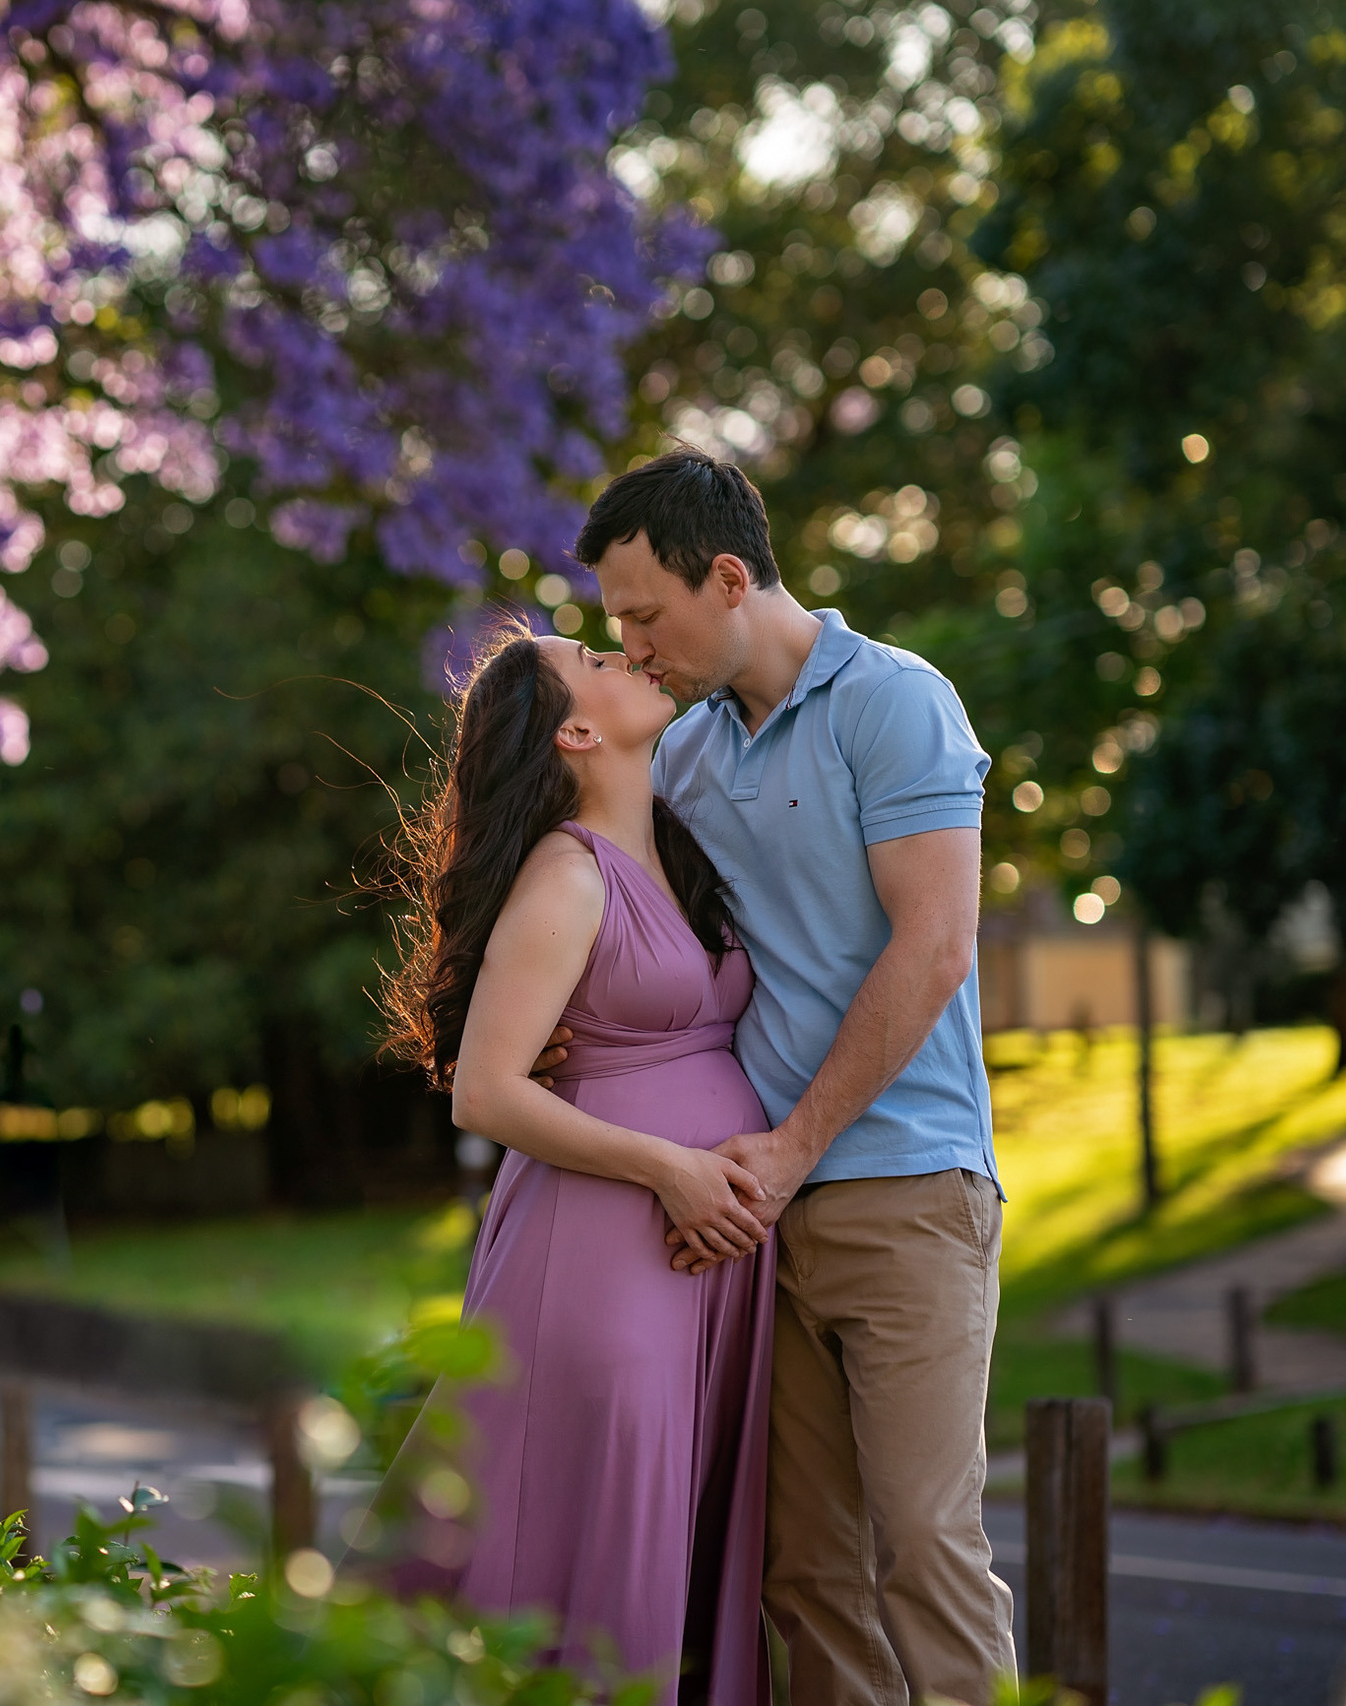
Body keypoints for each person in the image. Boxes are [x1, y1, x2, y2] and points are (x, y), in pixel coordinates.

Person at [564, 447, 1015, 1706]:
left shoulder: (896, 701)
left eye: (646, 615)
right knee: (803, 1573)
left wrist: (799, 1139)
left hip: (905, 1185)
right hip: (756, 1212)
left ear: (725, 578)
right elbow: (619, 906)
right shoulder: (691, 754)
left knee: (927, 1544)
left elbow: (934, 947)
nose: (635, 646)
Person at [377, 612, 778, 1704]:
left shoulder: (682, 844)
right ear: (574, 736)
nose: (626, 655)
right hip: (604, 1255)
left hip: (704, 1261)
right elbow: (485, 1087)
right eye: (594, 661)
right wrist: (671, 1168)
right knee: (606, 1542)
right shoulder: (566, 874)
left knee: (672, 1539)